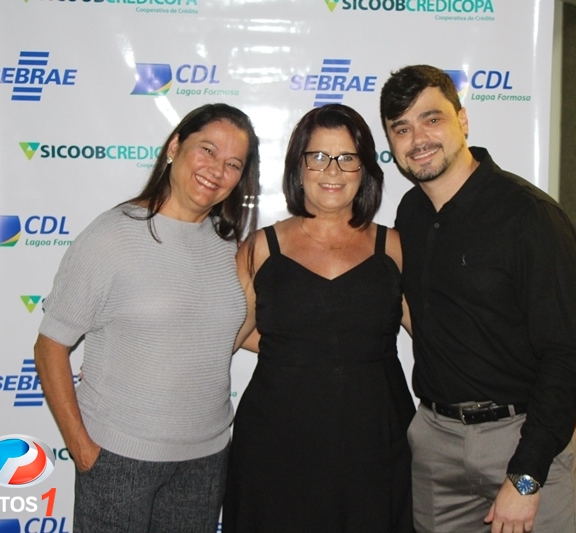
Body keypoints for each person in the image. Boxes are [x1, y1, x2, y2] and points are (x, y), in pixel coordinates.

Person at [379, 65, 576, 533]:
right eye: (402, 128)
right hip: (435, 445)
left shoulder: (531, 217)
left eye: (432, 119)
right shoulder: (410, 213)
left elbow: (565, 360)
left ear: (463, 120)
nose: (418, 138)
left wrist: (526, 476)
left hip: (522, 441)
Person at [33, 103, 260, 533]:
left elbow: (222, 331)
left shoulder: (229, 248)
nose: (217, 170)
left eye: (233, 164)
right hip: (119, 459)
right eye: (207, 150)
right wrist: (81, 448)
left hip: (206, 461)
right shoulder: (111, 235)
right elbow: (50, 346)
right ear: (175, 146)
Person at [222, 103, 415, 533]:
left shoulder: (395, 247)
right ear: (298, 166)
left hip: (377, 448)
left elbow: (439, 339)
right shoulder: (261, 248)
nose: (332, 170)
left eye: (347, 157)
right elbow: (222, 338)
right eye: (319, 156)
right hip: (275, 450)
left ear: (365, 169)